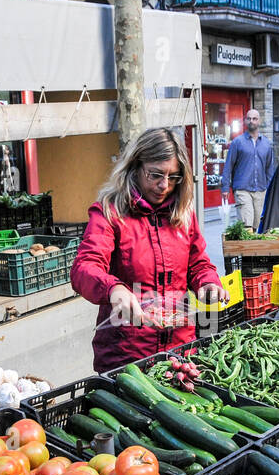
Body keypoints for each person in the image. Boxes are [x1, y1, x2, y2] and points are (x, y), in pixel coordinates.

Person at [71, 127, 227, 373]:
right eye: (155, 175)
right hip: (126, 358)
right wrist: (114, 289)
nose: (164, 185)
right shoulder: (110, 212)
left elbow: (198, 263)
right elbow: (85, 267)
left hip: (179, 353)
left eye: (173, 177)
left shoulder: (183, 213)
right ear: (136, 166)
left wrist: (207, 282)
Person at [220, 108, 275, 228]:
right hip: (242, 189)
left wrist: (271, 190)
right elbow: (228, 165)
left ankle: (255, 247)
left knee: (258, 226)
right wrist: (225, 187)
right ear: (245, 121)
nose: (252, 121)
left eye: (254, 119)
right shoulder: (237, 142)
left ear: (259, 121)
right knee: (247, 224)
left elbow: (269, 169)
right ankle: (246, 246)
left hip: (261, 190)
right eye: (249, 118)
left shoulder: (266, 144)